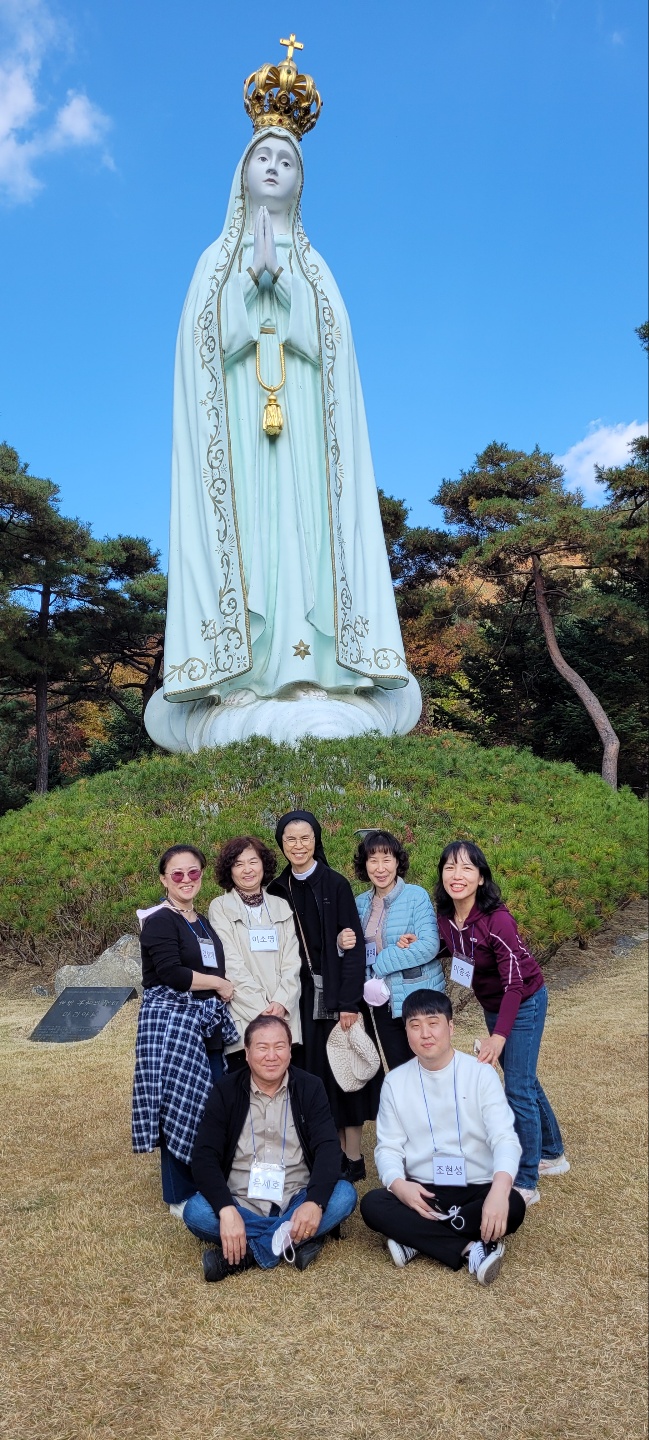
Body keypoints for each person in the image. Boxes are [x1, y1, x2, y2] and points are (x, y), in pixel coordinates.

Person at [144, 43, 421, 754]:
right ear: (241, 174)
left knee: (304, 540)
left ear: (301, 182)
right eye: (262, 158)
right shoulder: (214, 261)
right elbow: (201, 353)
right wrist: (248, 286)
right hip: (240, 436)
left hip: (302, 440)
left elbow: (336, 355)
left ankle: (310, 674)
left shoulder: (316, 265)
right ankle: (243, 675)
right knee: (252, 541)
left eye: (287, 161)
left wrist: (287, 287)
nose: (274, 167)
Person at [435, 840, 569, 1205]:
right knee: (523, 1078)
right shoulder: (446, 916)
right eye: (450, 867)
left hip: (523, 1001)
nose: (457, 875)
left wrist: (498, 1036)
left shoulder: (498, 921)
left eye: (467, 868)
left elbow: (515, 985)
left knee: (517, 1089)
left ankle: (525, 1181)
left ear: (481, 877)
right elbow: (457, 946)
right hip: (493, 1003)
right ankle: (553, 1152)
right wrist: (422, 944)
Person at [360, 990, 526, 1284]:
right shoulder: (395, 1082)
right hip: (424, 1192)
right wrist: (399, 1186)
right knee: (373, 1204)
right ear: (406, 1033)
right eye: (415, 1025)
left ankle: (415, 1238)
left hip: (476, 1186)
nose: (425, 1033)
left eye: (433, 1023)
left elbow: (505, 1138)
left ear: (450, 1027)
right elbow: (388, 1148)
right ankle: (470, 1248)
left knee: (513, 1203)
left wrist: (499, 1191)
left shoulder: (481, 1074)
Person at [183, 1014, 358, 1280]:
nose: (271, 1056)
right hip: (241, 1201)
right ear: (247, 1052)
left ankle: (251, 1254)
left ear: (290, 1050)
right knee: (196, 1211)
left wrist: (313, 1202)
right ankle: (295, 1238)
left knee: (343, 1196)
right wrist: (227, 1210)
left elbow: (328, 1149)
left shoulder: (310, 1087)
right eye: (262, 1047)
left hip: (296, 1198)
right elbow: (204, 1156)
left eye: (279, 1046)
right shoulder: (226, 1090)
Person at [268, 809, 381, 1181]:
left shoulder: (335, 884)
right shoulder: (276, 890)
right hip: (299, 1000)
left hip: (336, 995)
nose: (298, 845)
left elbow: (355, 946)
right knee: (313, 1074)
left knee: (344, 1072)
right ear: (281, 844)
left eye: (306, 838)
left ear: (316, 840)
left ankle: (353, 1157)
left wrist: (349, 1003)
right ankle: (326, 1153)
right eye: (290, 839)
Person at [132, 845, 238, 1215]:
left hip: (205, 1023)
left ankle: (208, 1183)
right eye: (177, 874)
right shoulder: (161, 920)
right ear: (164, 879)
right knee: (177, 1105)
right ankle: (179, 1196)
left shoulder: (201, 920)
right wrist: (219, 984)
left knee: (208, 1106)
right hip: (173, 1028)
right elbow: (172, 974)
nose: (186, 880)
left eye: (193, 872)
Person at [337, 830, 442, 1070]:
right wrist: (341, 944)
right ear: (365, 865)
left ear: (397, 862)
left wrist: (381, 962)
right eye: (373, 860)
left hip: (418, 998)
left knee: (429, 1070)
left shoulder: (416, 896)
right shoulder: (360, 903)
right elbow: (356, 950)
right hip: (382, 1003)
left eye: (387, 859)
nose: (380, 868)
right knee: (399, 1070)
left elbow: (429, 945)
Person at [208, 835, 302, 1069]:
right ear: (229, 870)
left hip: (284, 1015)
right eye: (238, 864)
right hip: (245, 1016)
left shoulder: (280, 906)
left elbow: (292, 961)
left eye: (253, 861)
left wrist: (281, 1002)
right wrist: (262, 1011)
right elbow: (230, 964)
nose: (247, 870)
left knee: (286, 1085)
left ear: (263, 864)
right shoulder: (220, 907)